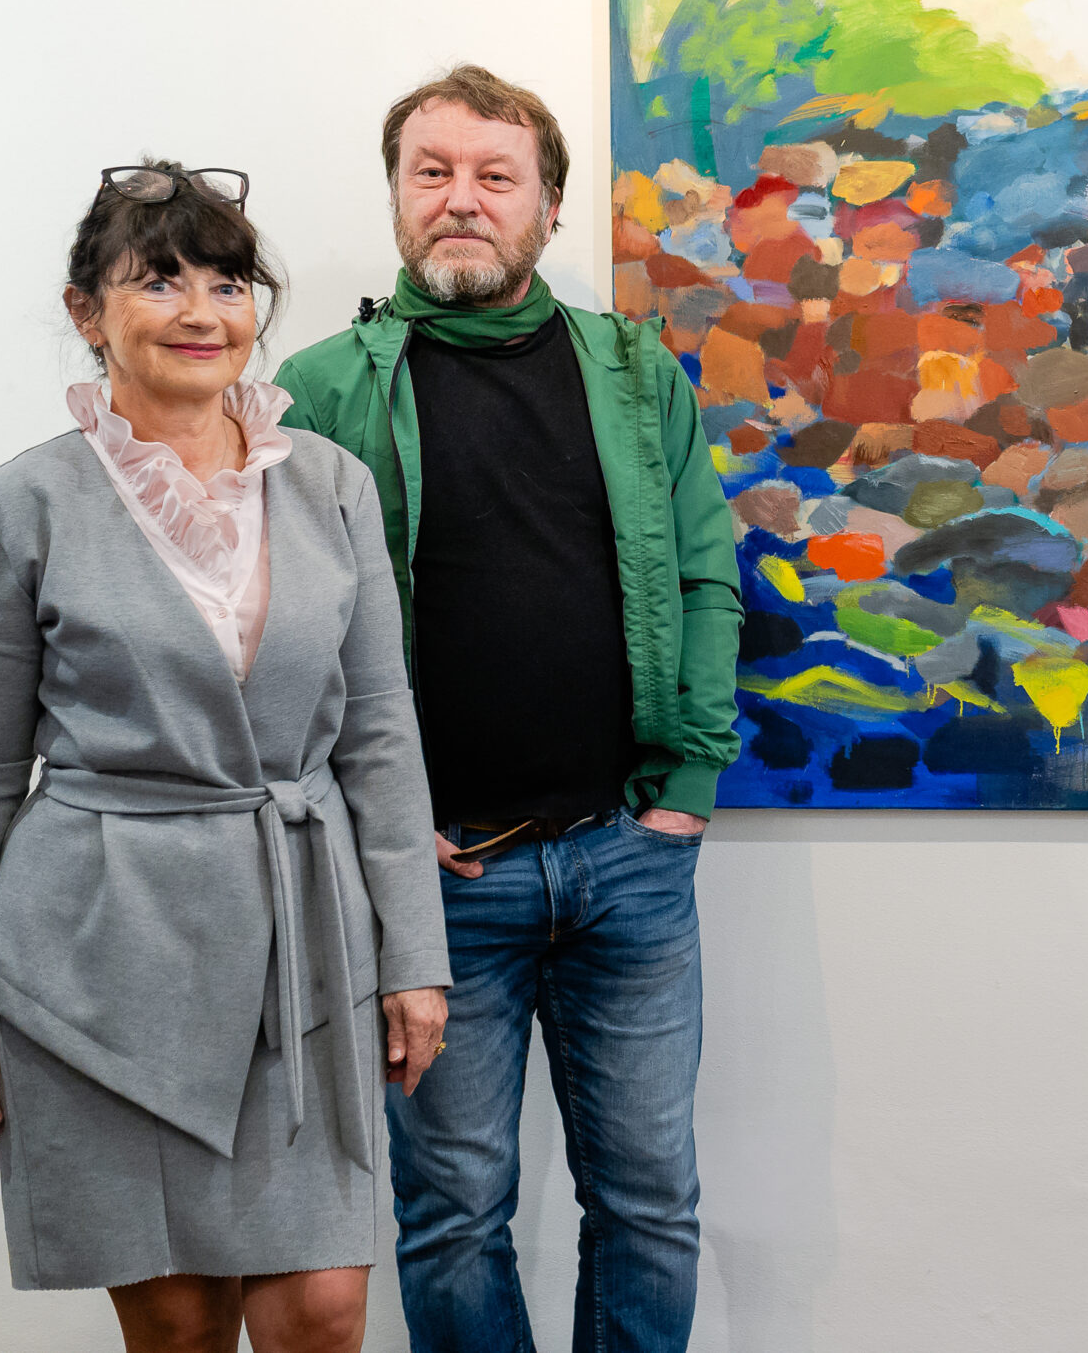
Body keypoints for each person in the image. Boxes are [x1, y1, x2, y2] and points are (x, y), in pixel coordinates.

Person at [0, 163, 453, 1353]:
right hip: (103, 959)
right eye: (158, 281)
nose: (203, 311)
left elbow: (379, 729)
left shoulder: (330, 485)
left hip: (302, 943)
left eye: (227, 282)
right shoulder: (16, 506)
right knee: (176, 1322)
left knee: (321, 1309)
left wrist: (415, 955)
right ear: (86, 310)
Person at [275, 66, 743, 1353]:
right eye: (431, 172)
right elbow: (276, 635)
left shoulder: (635, 372)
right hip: (437, 885)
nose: (461, 199)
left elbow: (706, 574)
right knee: (452, 1212)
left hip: (627, 862)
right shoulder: (319, 390)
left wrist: (685, 793)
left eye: (495, 175)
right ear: (396, 196)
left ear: (547, 205)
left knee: (650, 1203)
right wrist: (372, 829)